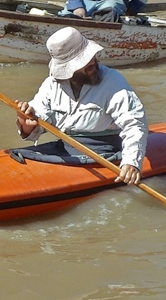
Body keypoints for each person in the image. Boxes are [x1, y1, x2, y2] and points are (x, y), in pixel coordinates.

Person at [13, 27, 148, 185]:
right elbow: (38, 119)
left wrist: (131, 162)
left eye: (90, 57)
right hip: (66, 148)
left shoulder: (113, 81)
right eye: (83, 61)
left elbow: (134, 123)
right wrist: (25, 123)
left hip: (106, 152)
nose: (91, 62)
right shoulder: (51, 84)